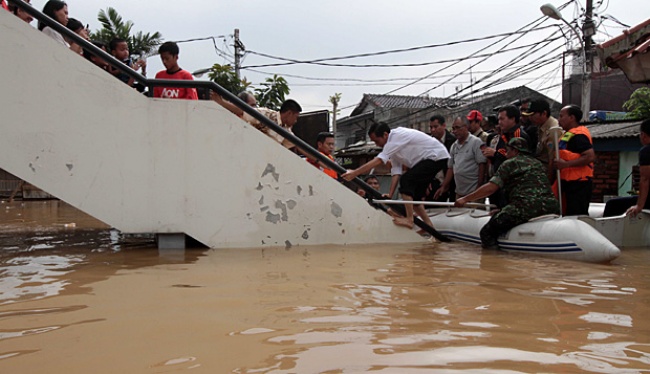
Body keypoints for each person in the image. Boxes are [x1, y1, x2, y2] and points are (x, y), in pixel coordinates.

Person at [455, 138, 559, 249]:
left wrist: (465, 199)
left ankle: (494, 263)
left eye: (508, 151)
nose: (506, 154)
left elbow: (491, 187)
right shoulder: (537, 163)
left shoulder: (510, 163)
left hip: (526, 207)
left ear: (515, 151)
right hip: (551, 206)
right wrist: (504, 210)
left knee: (486, 233)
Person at [341, 122, 449, 229]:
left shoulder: (397, 136)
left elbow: (379, 160)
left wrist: (354, 173)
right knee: (415, 196)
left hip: (436, 157)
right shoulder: (392, 147)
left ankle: (409, 219)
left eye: (377, 141)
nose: (377, 144)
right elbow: (396, 171)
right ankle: (428, 225)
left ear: (385, 135)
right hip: (430, 160)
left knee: (406, 181)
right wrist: (390, 194)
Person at [553, 105, 595, 216]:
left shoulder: (579, 135)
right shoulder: (568, 134)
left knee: (576, 215)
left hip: (579, 184)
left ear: (572, 117)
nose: (559, 119)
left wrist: (565, 164)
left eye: (562, 116)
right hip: (568, 183)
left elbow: (589, 156)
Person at [603, 119, 650, 217]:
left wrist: (639, 206)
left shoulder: (647, 151)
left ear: (643, 135)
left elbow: (645, 179)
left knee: (612, 205)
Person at [435, 117, 487, 200]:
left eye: (457, 128)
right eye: (453, 128)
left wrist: (479, 187)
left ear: (466, 127)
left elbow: (482, 165)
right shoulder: (454, 146)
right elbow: (450, 168)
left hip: (474, 192)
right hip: (459, 193)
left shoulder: (476, 142)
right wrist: (444, 186)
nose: (454, 131)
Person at [521, 99, 560, 167]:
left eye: (532, 115)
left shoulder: (553, 130)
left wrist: (549, 177)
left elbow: (552, 159)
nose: (530, 118)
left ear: (544, 113)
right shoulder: (540, 125)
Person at [429, 114, 456, 201]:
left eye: (436, 127)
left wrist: (445, 185)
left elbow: (452, 165)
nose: (433, 130)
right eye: (431, 127)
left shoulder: (453, 142)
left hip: (451, 183)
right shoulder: (429, 142)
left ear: (444, 126)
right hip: (432, 183)